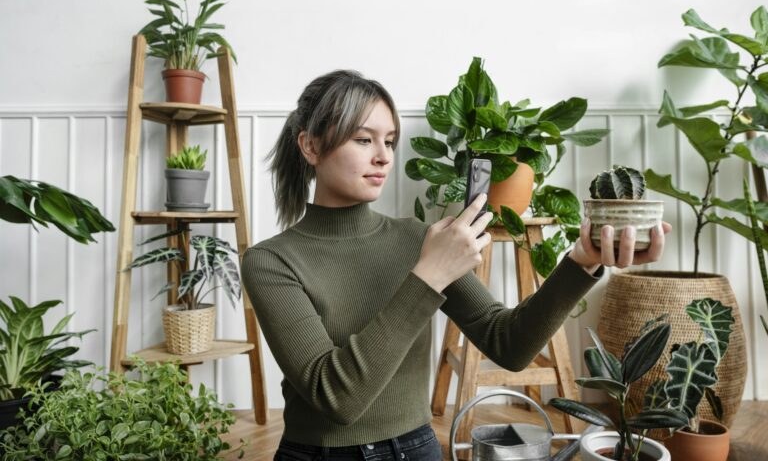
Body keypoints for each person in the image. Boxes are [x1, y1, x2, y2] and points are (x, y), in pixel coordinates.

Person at [241, 69, 670, 461]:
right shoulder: (271, 262)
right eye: (362, 138)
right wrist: (429, 275)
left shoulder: (415, 240)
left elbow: (510, 344)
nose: (383, 157)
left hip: (418, 448)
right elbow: (336, 397)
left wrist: (581, 262)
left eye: (389, 141)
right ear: (310, 145)